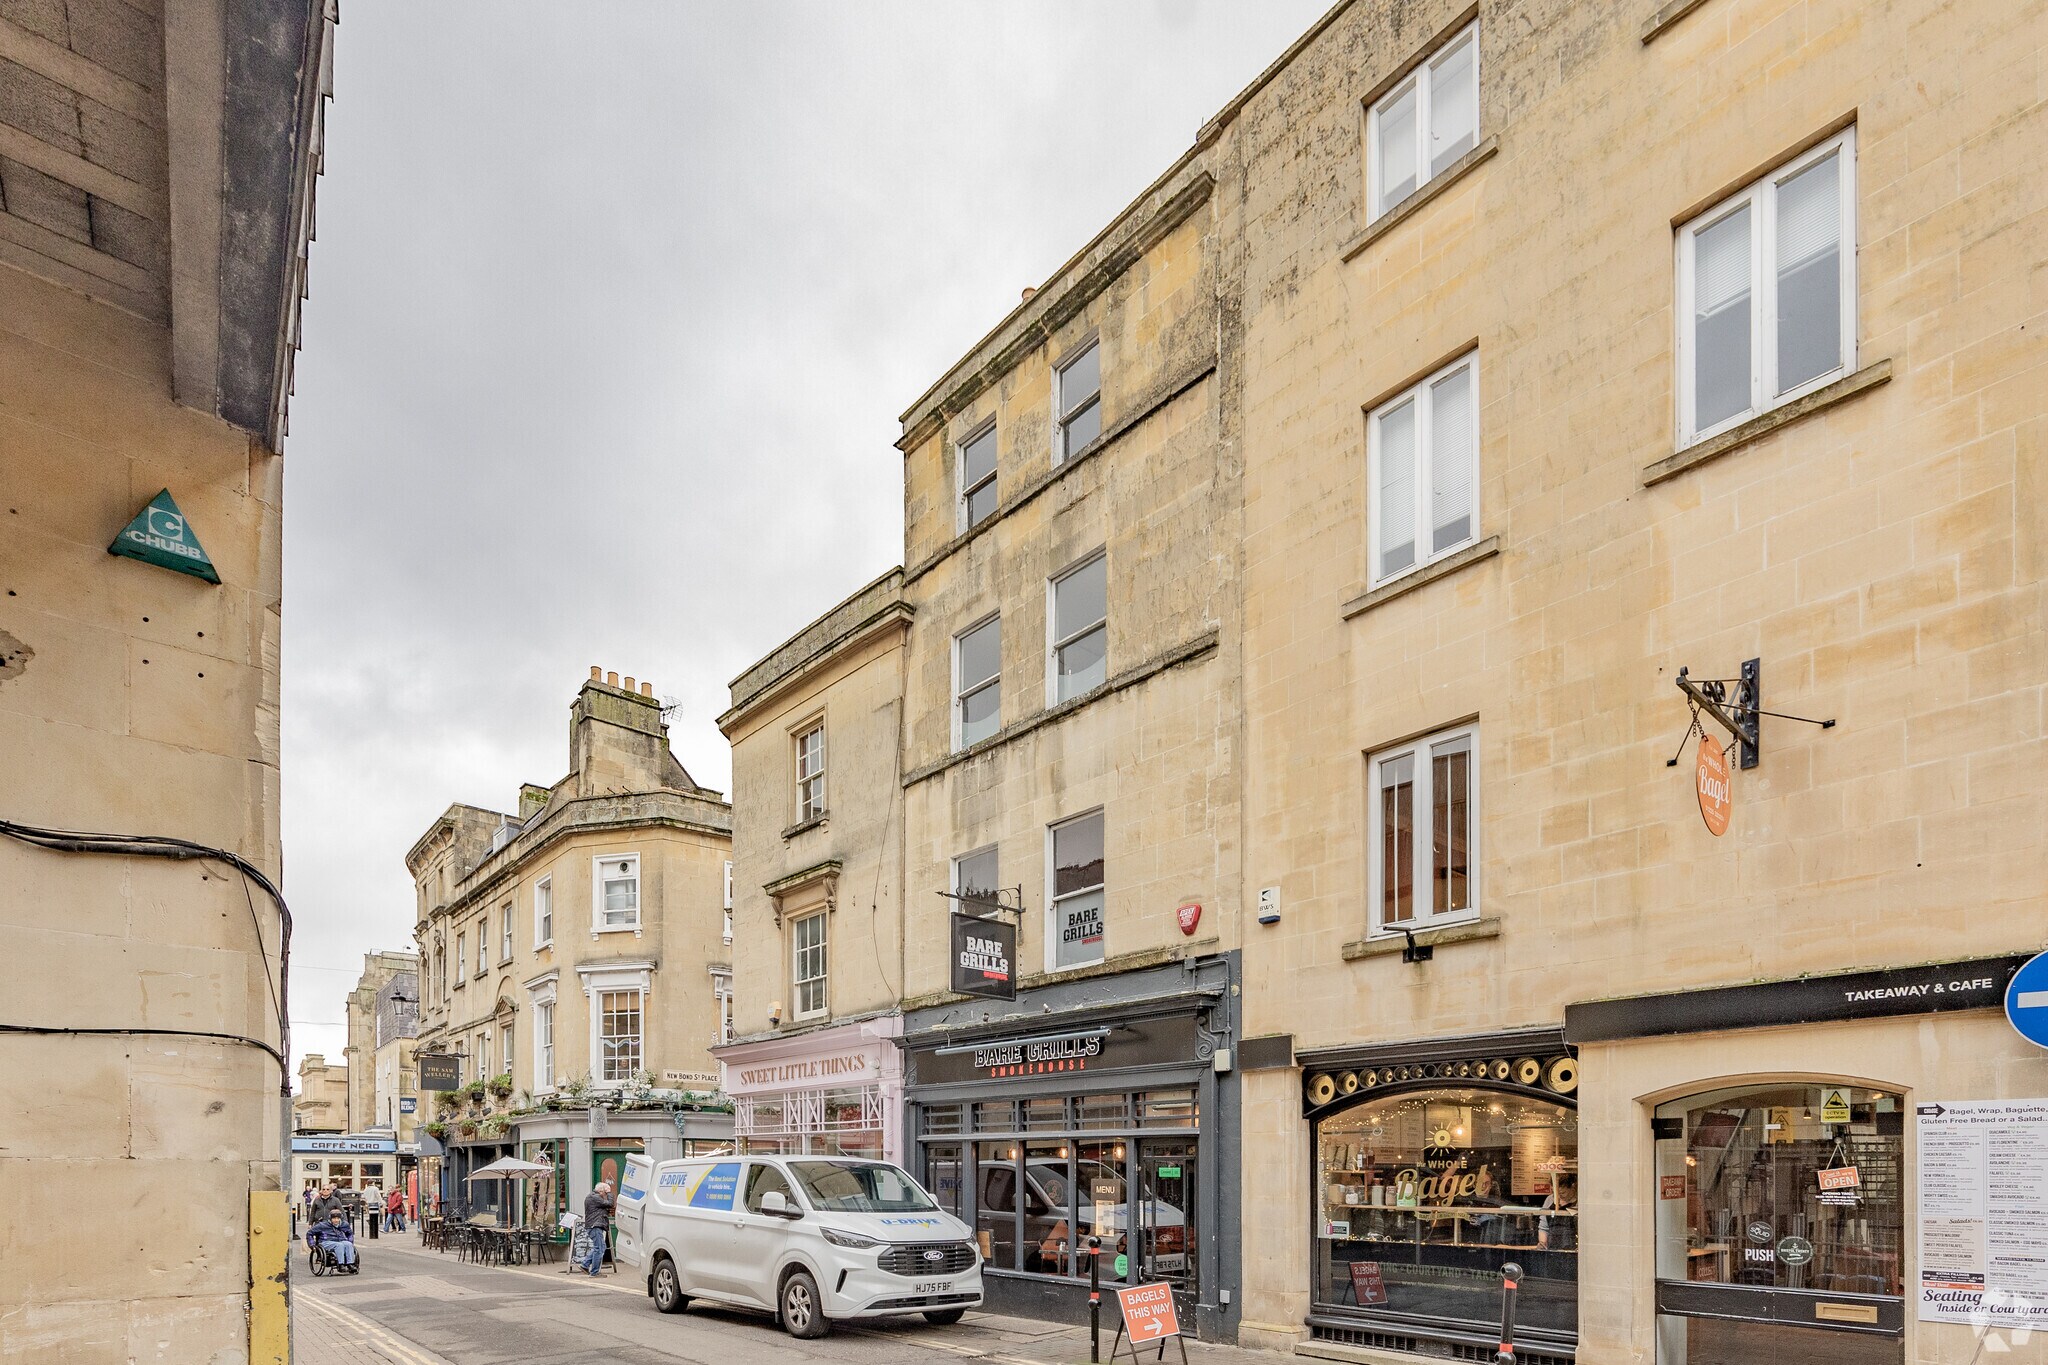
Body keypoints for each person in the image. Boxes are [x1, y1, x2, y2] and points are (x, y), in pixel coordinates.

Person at [579, 1181, 615, 1276]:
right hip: (595, 1225)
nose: (605, 1195)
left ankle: (585, 1265)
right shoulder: (595, 1197)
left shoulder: (593, 1197)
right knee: (599, 1248)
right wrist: (610, 1193)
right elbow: (610, 1203)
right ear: (601, 1191)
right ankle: (594, 1272)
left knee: (600, 1247)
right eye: (605, 1193)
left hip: (594, 1225)